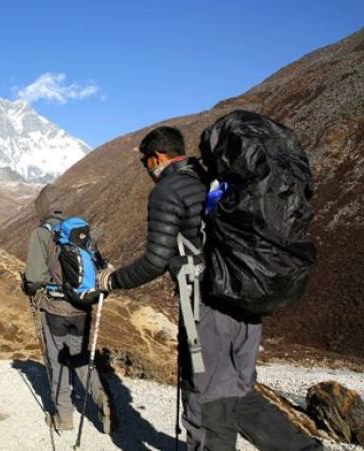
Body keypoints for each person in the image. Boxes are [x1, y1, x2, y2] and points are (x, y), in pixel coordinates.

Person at [97, 126, 321, 451]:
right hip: (246, 300)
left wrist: (112, 280)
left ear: (157, 158)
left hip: (207, 309)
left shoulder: (168, 190)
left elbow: (154, 260)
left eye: (146, 162)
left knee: (206, 402)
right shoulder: (214, 180)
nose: (147, 170)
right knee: (239, 394)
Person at [22, 190, 113, 433]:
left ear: (42, 208)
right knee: (81, 357)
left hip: (54, 309)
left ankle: (63, 417)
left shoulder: (41, 234)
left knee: (58, 361)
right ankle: (102, 399)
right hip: (82, 308)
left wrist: (28, 286)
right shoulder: (78, 232)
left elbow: (35, 277)